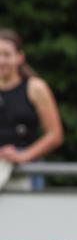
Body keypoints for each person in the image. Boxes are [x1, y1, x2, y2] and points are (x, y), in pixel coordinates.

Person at [0, 29, 63, 190]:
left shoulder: (35, 88)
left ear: (20, 57)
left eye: (6, 55)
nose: (1, 61)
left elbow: (55, 135)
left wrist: (24, 155)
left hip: (27, 169)